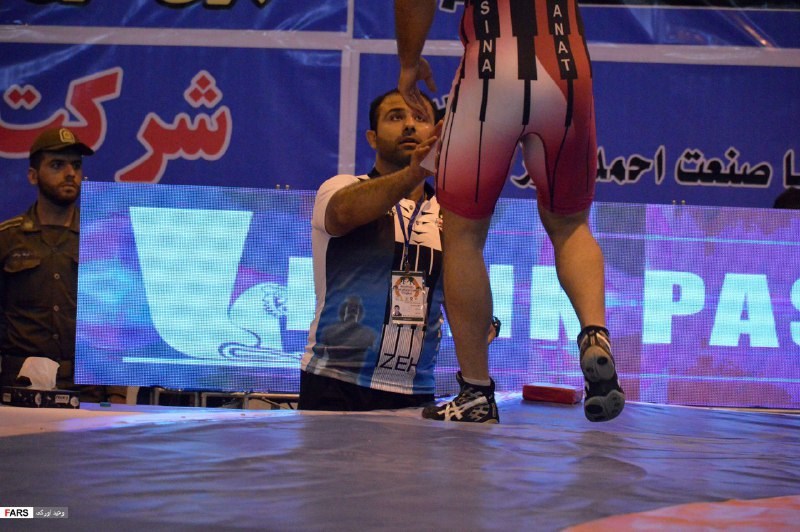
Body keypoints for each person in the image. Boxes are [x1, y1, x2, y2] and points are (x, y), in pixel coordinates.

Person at [394, 0, 625, 423]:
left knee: (463, 235)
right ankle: (594, 335)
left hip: (490, 67)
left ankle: (476, 393)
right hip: (567, 67)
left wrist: (409, 62)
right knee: (570, 225)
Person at [300, 89, 498, 411]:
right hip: (335, 381)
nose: (409, 125)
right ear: (372, 138)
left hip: (417, 388)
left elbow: (461, 295)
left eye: (420, 118)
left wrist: (481, 323)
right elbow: (342, 214)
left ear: (435, 134)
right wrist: (414, 173)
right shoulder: (341, 187)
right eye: (395, 117)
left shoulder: (451, 214)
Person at [0, 127, 123, 403]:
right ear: (33, 175)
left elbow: (114, 324)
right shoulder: (7, 239)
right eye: (57, 165)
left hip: (86, 387)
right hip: (19, 386)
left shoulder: (101, 240)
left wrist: (116, 394)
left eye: (76, 166)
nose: (70, 173)